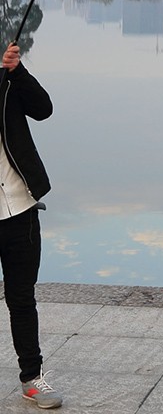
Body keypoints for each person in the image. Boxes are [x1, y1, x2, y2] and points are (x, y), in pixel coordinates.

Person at [0, 43, 61, 409]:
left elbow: (44, 109)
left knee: (22, 298)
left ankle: (32, 379)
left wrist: (17, 72)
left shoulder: (8, 84)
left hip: (19, 208)